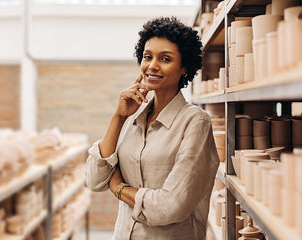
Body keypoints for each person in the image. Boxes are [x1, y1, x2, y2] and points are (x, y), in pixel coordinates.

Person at [85, 16, 220, 240]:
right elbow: (95, 179)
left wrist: (119, 188)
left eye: (165, 59)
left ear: (184, 67)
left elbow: (171, 206)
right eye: (147, 57)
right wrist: (118, 116)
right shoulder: (132, 116)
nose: (153, 65)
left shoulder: (195, 122)